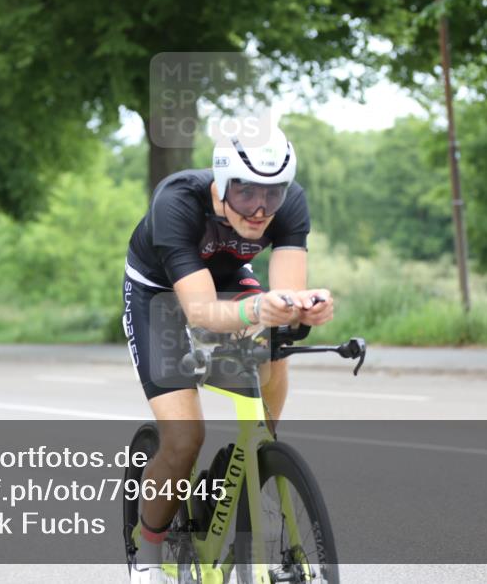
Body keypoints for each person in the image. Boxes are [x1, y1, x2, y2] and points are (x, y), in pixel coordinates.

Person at [121, 124, 334, 583]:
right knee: (184, 439)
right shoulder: (176, 202)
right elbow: (198, 311)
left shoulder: (289, 203)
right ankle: (148, 558)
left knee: (277, 338)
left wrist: (304, 309)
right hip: (158, 295)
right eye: (246, 194)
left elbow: (287, 294)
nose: (260, 209)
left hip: (227, 279)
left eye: (272, 196)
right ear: (221, 183)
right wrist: (258, 306)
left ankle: (258, 459)